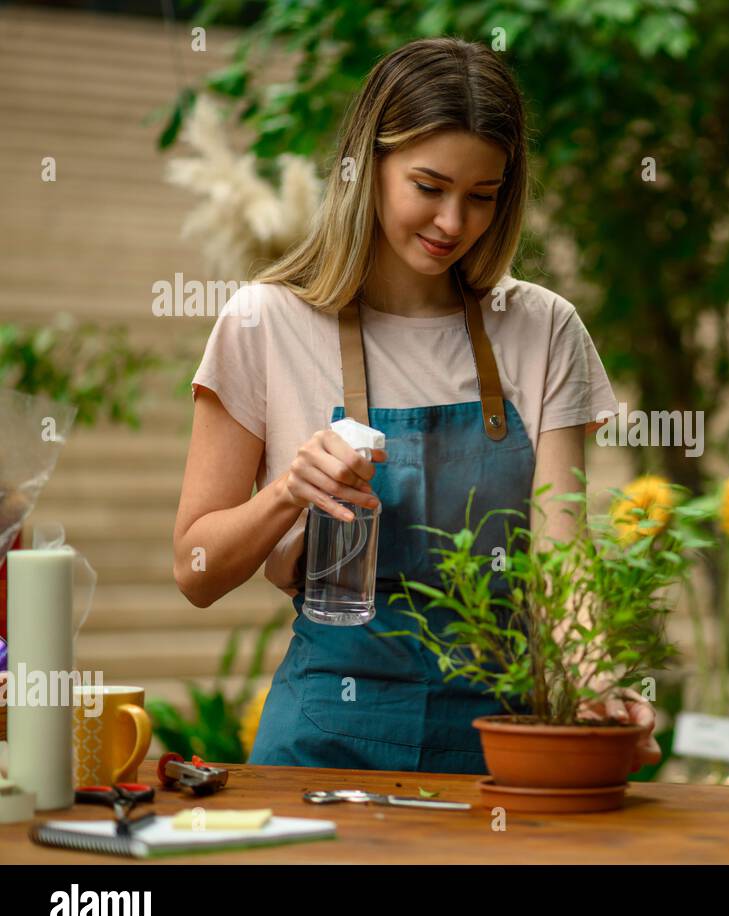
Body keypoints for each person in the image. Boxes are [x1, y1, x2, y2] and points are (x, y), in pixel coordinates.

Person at [173, 37, 659, 774]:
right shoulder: (261, 322)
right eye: (428, 187)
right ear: (366, 168)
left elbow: (563, 553)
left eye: (482, 197)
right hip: (322, 744)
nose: (453, 224)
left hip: (504, 737)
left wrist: (596, 680)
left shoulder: (543, 329)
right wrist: (287, 494)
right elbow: (196, 571)